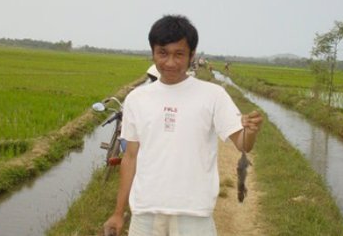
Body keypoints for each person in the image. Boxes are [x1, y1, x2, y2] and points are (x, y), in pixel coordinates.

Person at [103, 14, 263, 236]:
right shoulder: (136, 99)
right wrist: (118, 213)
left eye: (179, 54)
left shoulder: (213, 95)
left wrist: (251, 131)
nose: (170, 62)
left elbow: (243, 144)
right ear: (153, 53)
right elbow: (130, 157)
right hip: (145, 211)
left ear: (192, 55)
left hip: (194, 213)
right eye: (163, 53)